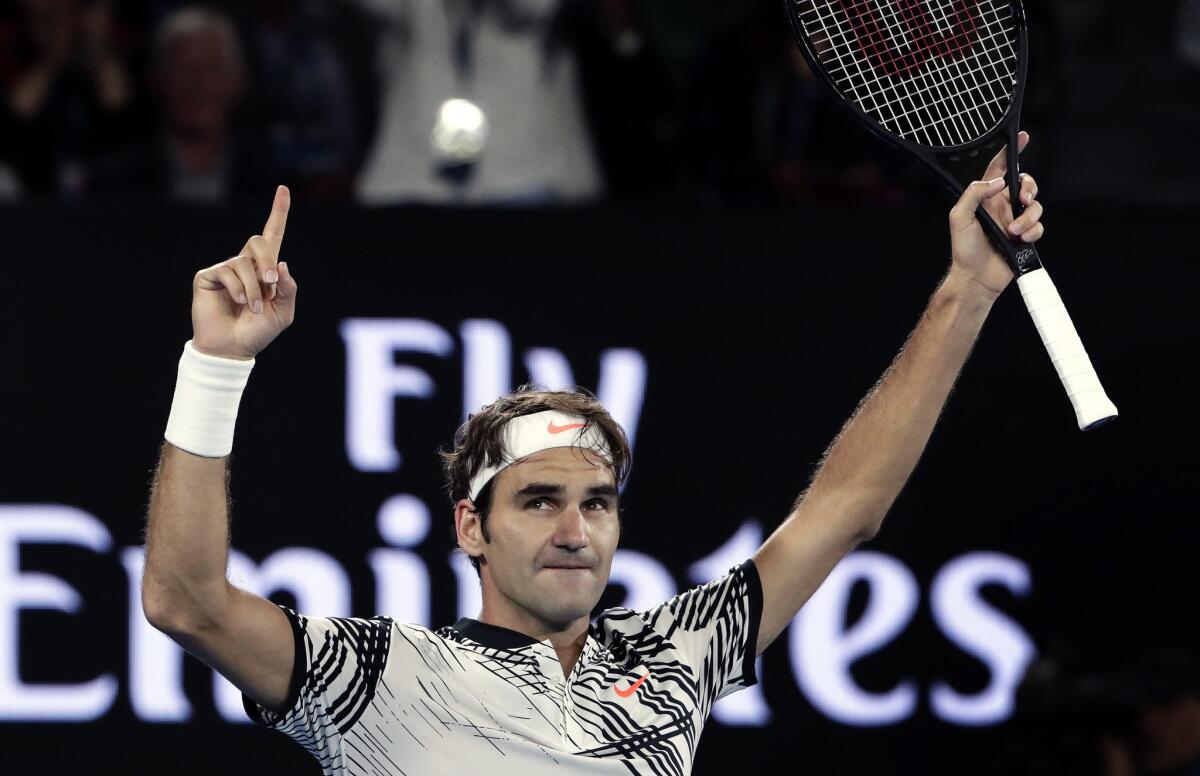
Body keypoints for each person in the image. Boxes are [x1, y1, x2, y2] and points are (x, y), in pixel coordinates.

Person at [142, 133, 1045, 775]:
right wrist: (215, 368)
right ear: (472, 527)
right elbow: (186, 602)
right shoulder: (378, 678)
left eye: (597, 502)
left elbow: (847, 510)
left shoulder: (675, 656)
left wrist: (968, 289)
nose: (576, 529)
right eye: (538, 501)